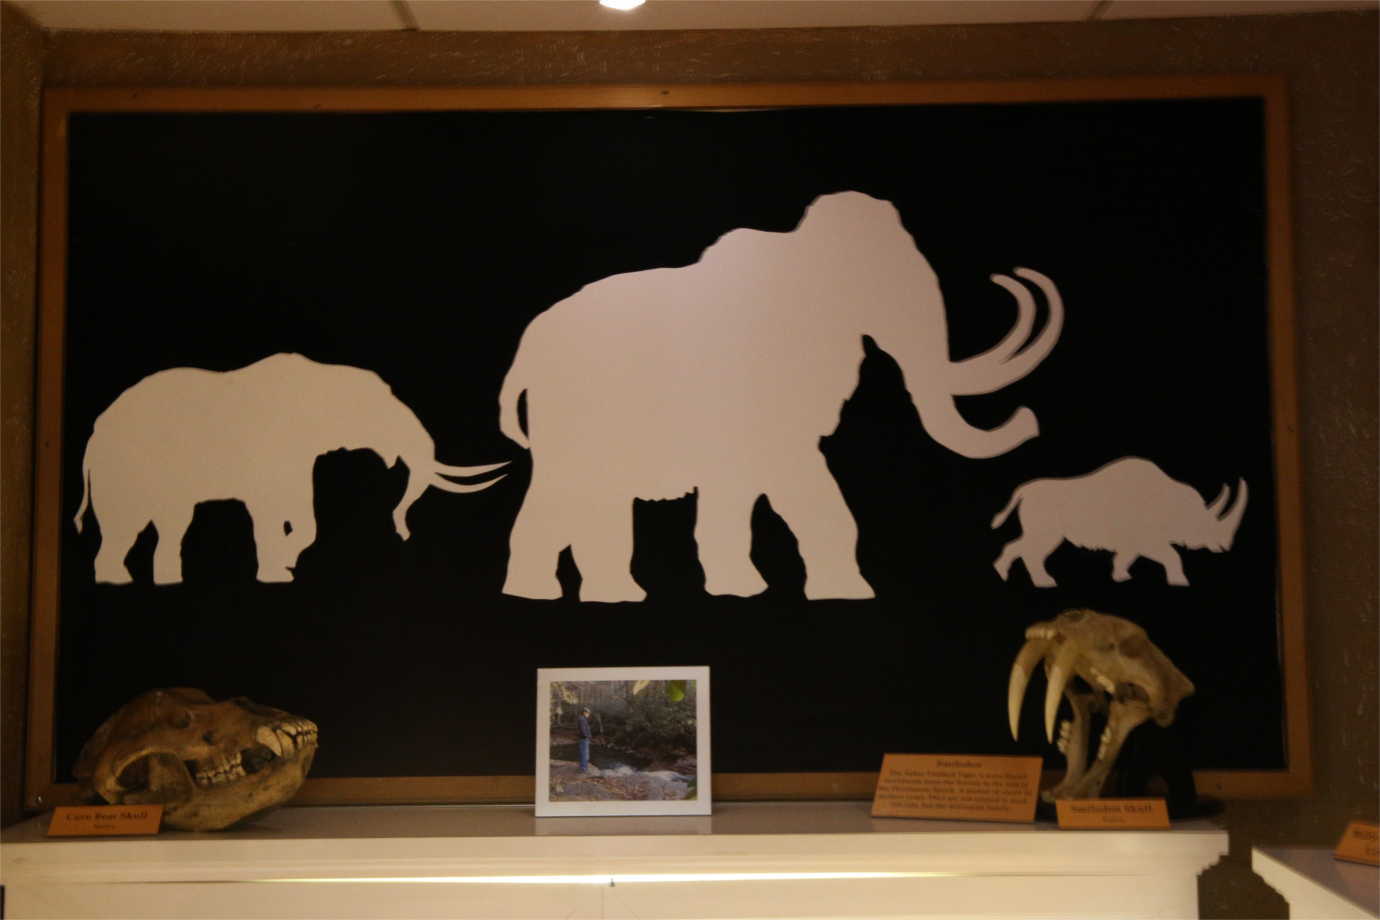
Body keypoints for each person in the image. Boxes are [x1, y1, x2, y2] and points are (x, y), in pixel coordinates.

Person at [577, 707, 593, 773]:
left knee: (583, 753)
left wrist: (588, 736)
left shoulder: (583, 719)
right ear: (584, 712)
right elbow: (582, 730)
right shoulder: (582, 719)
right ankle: (583, 768)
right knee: (584, 753)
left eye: (589, 713)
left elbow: (585, 729)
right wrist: (587, 736)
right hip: (584, 739)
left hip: (583, 739)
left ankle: (583, 767)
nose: (588, 715)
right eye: (588, 713)